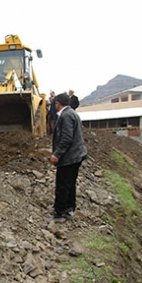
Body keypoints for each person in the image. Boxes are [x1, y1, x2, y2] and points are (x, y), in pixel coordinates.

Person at [49, 92, 88, 223]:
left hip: (69, 157)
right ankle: (69, 208)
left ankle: (59, 213)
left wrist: (57, 154)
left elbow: (66, 138)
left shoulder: (65, 116)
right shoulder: (72, 113)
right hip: (77, 155)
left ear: (58, 103)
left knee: (62, 184)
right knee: (70, 183)